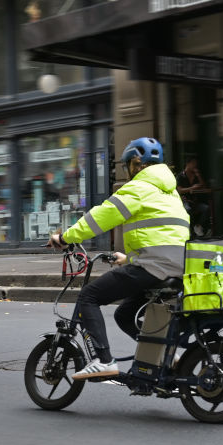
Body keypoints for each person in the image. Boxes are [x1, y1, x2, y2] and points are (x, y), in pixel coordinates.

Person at [47, 137, 190, 380]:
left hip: (153, 266)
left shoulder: (138, 187)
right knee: (124, 314)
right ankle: (166, 352)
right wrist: (129, 258)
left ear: (136, 163)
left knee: (89, 296)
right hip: (176, 266)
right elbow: (162, 235)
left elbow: (101, 217)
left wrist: (66, 237)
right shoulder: (171, 193)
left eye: (127, 165)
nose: (128, 170)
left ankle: (103, 361)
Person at [176, 157, 211, 237]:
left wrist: (198, 176)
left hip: (195, 202)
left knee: (206, 208)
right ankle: (190, 231)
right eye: (193, 163)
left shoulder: (196, 175)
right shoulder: (180, 176)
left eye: (196, 164)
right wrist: (191, 188)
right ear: (188, 164)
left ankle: (198, 226)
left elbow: (204, 187)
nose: (195, 166)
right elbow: (180, 190)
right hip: (185, 201)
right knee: (188, 210)